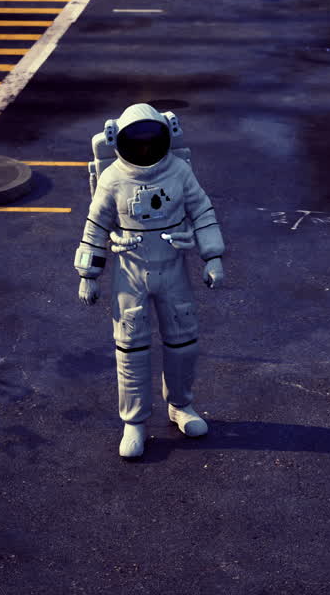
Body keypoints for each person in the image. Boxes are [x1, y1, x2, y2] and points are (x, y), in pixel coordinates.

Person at [74, 103, 225, 458]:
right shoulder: (113, 177)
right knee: (131, 350)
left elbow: (202, 211)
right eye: (136, 142)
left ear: (165, 136)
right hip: (131, 273)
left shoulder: (179, 172)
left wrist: (212, 256)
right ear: (119, 140)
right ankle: (134, 423)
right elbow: (95, 225)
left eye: (150, 140)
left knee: (183, 343)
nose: (143, 148)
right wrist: (88, 274)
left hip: (173, 269)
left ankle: (180, 407)